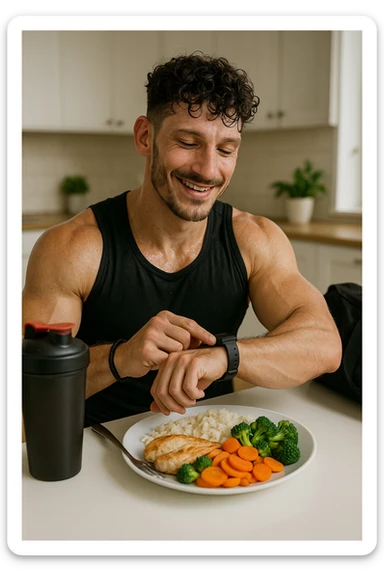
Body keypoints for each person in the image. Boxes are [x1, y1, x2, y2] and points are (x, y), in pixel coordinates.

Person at [22, 52, 342, 427]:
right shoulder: (74, 248)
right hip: (97, 448)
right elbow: (28, 384)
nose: (208, 170)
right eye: (189, 142)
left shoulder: (254, 239)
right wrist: (120, 358)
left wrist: (224, 356)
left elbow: (324, 345)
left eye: (225, 149)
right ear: (145, 136)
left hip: (214, 453)